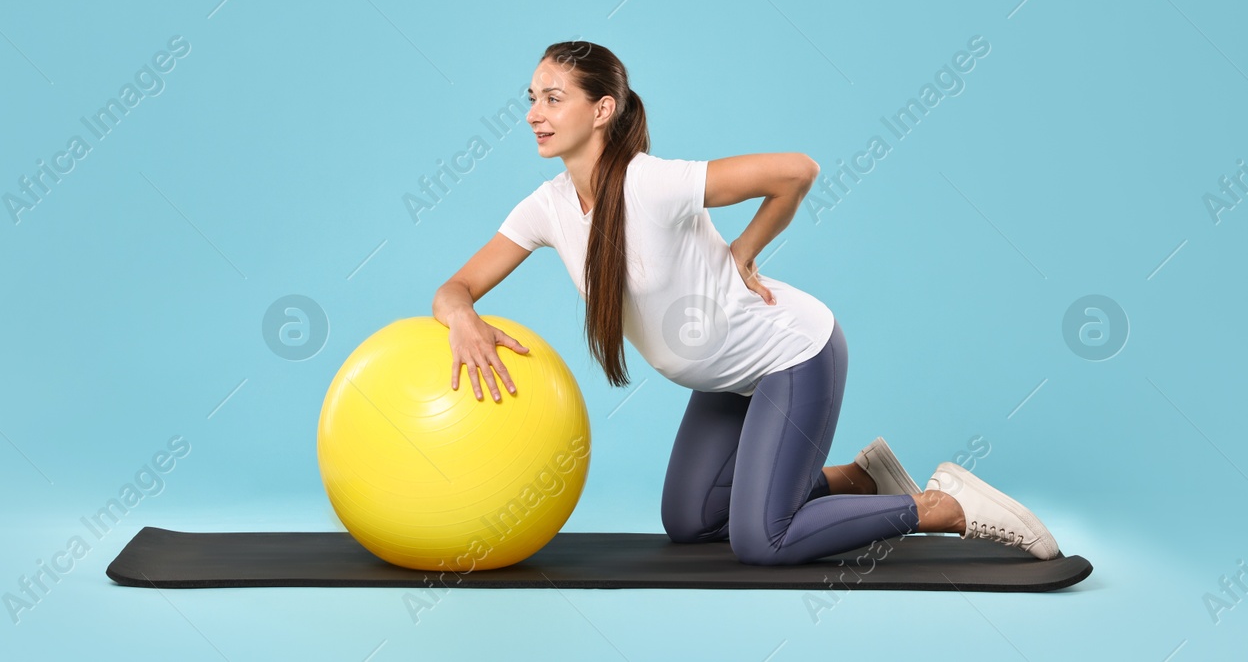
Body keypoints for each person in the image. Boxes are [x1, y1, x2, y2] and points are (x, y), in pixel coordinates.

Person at [429, 40, 1061, 566]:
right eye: (532, 99)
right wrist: (464, 320)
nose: (535, 113)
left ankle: (938, 505)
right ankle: (860, 479)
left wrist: (742, 250)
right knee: (691, 519)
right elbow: (455, 289)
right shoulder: (546, 208)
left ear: (603, 109)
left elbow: (797, 171)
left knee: (764, 539)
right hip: (730, 378)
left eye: (553, 98)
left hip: (792, 355)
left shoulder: (654, 183)